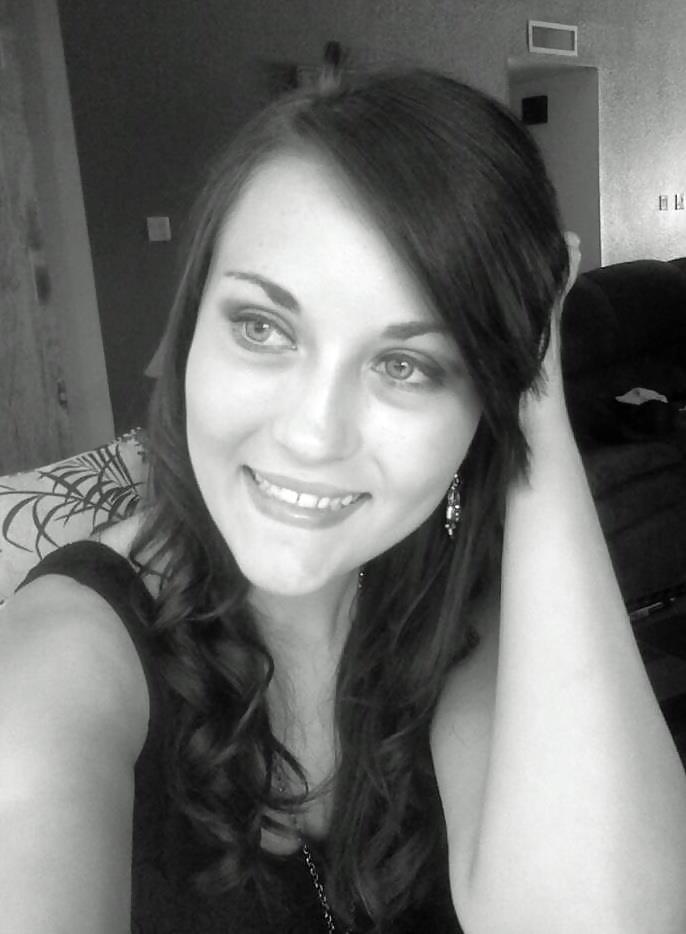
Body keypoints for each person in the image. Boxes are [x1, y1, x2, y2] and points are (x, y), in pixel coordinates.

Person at [1, 68, 685, 934]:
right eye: (262, 327)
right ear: (192, 334)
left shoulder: (452, 595)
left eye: (406, 364)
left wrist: (535, 397)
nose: (313, 434)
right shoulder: (58, 666)